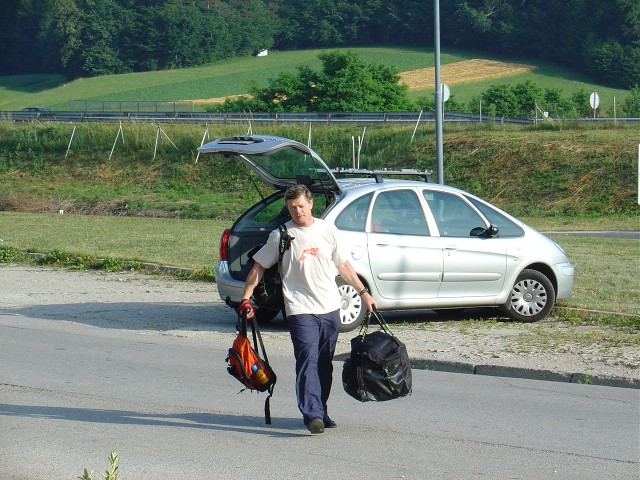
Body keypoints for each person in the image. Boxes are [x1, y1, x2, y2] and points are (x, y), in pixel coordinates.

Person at [239, 184, 377, 434]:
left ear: (311, 204)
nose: (297, 212)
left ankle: (321, 410)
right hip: (299, 308)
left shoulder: (327, 230)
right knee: (307, 359)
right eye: (292, 208)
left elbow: (343, 265)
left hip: (330, 307)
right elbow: (258, 267)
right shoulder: (281, 234)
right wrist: (246, 298)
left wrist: (363, 292)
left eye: (301, 206)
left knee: (324, 362)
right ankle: (311, 413)